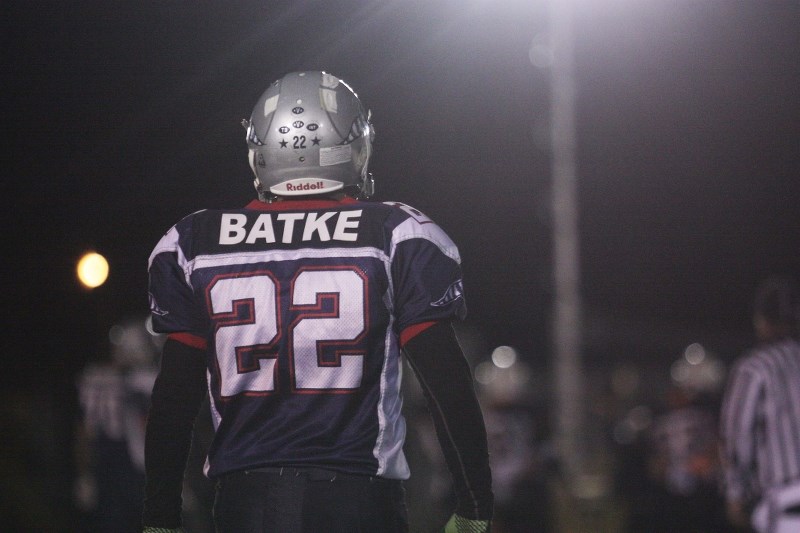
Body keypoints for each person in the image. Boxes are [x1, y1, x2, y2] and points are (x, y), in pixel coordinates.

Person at [142, 71, 493, 533]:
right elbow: (445, 381)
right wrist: (475, 506)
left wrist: (159, 517)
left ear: (260, 150)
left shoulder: (194, 242)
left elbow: (174, 397)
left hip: (246, 506)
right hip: (358, 500)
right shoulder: (395, 234)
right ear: (353, 147)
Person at [720, 276, 800, 533]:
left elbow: (737, 435)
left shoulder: (755, 368)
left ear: (761, 320)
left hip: (786, 503)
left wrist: (735, 494)